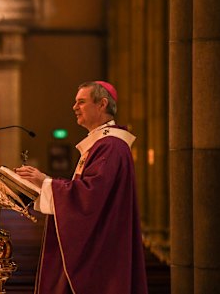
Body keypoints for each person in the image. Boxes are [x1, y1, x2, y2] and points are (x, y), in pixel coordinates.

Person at [15, 81, 148, 294]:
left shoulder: (111, 146)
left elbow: (90, 195)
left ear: (102, 104)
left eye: (81, 102)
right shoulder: (100, 145)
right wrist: (44, 185)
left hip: (104, 251)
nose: (74, 107)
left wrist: (46, 182)